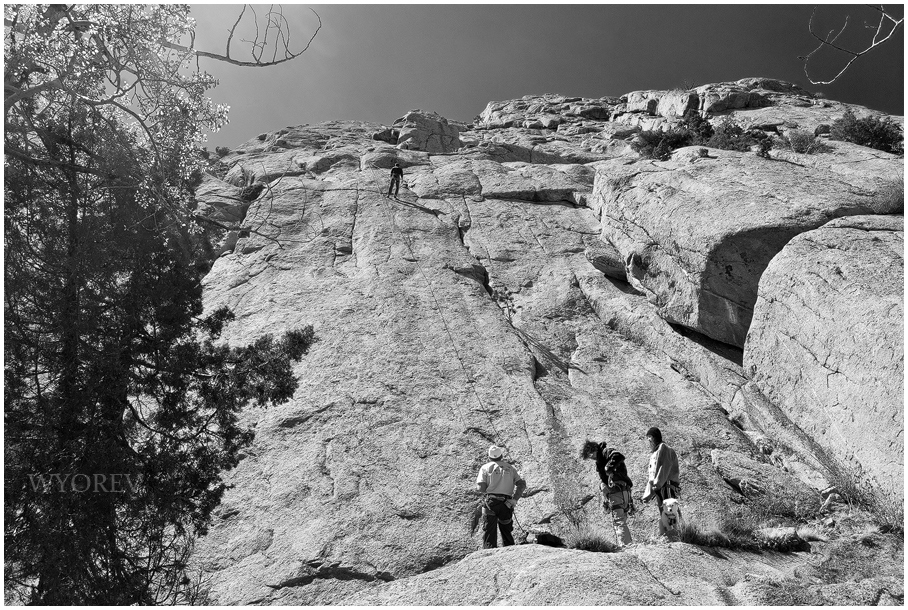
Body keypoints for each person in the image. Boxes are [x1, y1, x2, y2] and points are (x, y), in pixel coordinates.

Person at [581, 440, 634, 546]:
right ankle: (626, 544)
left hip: (618, 492)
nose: (591, 458)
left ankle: (625, 546)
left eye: (590, 455)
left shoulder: (606, 452)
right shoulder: (600, 459)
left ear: (593, 450)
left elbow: (618, 456)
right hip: (621, 492)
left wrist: (608, 468)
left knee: (619, 521)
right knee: (621, 520)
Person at [475, 445, 526, 549]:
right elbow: (521, 484)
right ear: (501, 456)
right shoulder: (510, 468)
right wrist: (514, 499)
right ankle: (510, 553)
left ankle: (489, 554)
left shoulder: (485, 468)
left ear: (489, 457)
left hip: (491, 502)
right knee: (506, 531)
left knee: (489, 532)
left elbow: (481, 487)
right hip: (506, 504)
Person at [641, 426, 680, 536]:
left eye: (649, 438)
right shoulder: (655, 451)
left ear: (653, 437)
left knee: (670, 509)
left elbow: (664, 467)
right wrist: (648, 494)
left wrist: (657, 484)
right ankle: (668, 534)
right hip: (659, 486)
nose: (648, 441)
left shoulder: (664, 448)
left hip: (666, 484)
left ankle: (676, 534)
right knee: (663, 511)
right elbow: (652, 476)